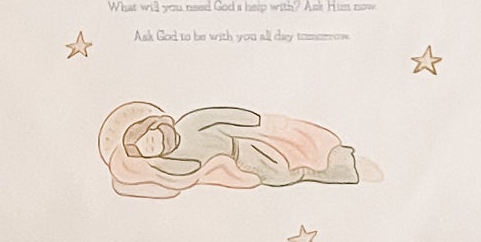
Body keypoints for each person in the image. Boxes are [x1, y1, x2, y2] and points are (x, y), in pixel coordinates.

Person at [97, 100, 371, 199]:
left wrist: (257, 121)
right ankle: (333, 171)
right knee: (280, 176)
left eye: (149, 139)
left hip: (241, 147)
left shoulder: (188, 123)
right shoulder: (171, 162)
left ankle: (335, 168)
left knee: (281, 171)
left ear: (155, 126)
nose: (152, 146)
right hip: (235, 162)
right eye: (147, 151)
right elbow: (183, 172)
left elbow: (221, 115)